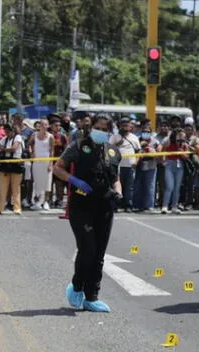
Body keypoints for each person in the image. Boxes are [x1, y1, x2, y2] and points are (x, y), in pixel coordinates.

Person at [53, 114, 124, 312]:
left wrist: (118, 193)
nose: (101, 131)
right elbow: (58, 168)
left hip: (104, 206)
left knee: (99, 254)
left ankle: (92, 296)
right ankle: (76, 287)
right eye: (98, 127)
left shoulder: (113, 151)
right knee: (88, 249)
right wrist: (75, 181)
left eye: (105, 128)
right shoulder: (78, 146)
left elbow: (116, 178)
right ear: (91, 127)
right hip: (81, 205)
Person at [109, 118, 140, 212]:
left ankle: (128, 205)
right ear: (120, 126)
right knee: (116, 186)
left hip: (130, 166)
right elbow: (109, 149)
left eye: (127, 125)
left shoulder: (134, 137)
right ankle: (116, 205)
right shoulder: (114, 137)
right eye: (123, 125)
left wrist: (136, 161)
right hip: (117, 166)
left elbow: (138, 151)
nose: (125, 127)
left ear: (130, 126)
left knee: (129, 187)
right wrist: (118, 144)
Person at [0, 124, 25, 215]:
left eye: (8, 132)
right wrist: (0, 147)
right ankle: (0, 208)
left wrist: (3, 149)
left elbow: (13, 149)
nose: (6, 133)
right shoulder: (5, 139)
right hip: (5, 166)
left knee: (16, 188)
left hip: (16, 165)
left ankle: (17, 208)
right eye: (5, 132)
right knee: (2, 188)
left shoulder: (18, 137)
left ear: (13, 131)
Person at [29, 119, 54, 210]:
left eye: (45, 124)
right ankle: (37, 202)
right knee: (37, 182)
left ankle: (46, 202)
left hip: (47, 161)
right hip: (37, 162)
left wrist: (51, 164)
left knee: (47, 182)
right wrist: (31, 152)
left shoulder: (51, 136)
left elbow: (52, 150)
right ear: (39, 126)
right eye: (42, 124)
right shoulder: (34, 135)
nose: (44, 126)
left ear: (48, 126)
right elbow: (28, 144)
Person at [161, 128, 189, 214]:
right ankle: (165, 206)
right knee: (170, 186)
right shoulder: (168, 141)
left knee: (177, 187)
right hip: (170, 164)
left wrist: (182, 152)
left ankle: (174, 206)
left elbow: (187, 156)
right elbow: (163, 150)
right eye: (179, 134)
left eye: (182, 135)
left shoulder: (184, 144)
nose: (181, 136)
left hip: (179, 165)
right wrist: (163, 160)